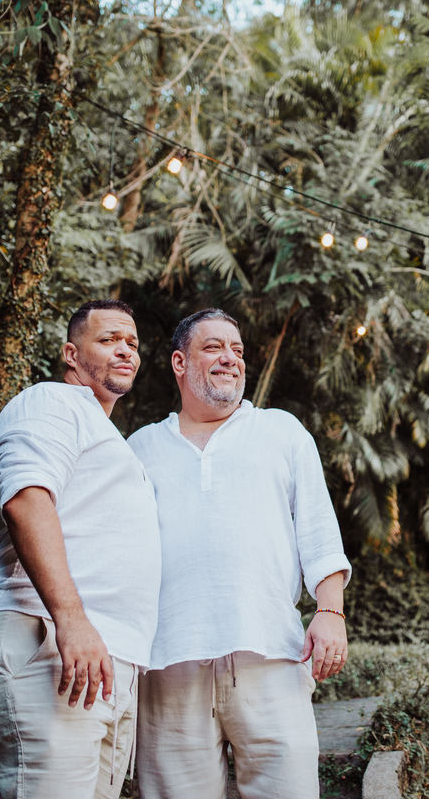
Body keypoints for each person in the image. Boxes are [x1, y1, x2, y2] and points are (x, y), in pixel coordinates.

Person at [127, 307, 351, 799]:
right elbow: (120, 553)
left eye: (238, 350)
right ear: (180, 363)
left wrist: (330, 610)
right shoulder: (140, 448)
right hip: (170, 662)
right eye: (214, 347)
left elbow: (318, 528)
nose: (231, 358)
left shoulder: (282, 432)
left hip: (270, 652)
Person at [0, 299, 161, 799]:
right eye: (109, 339)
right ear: (72, 354)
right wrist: (71, 618)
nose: (125, 351)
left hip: (103, 661)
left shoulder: (109, 437)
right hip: (47, 637)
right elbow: (26, 501)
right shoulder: (50, 401)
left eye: (132, 343)